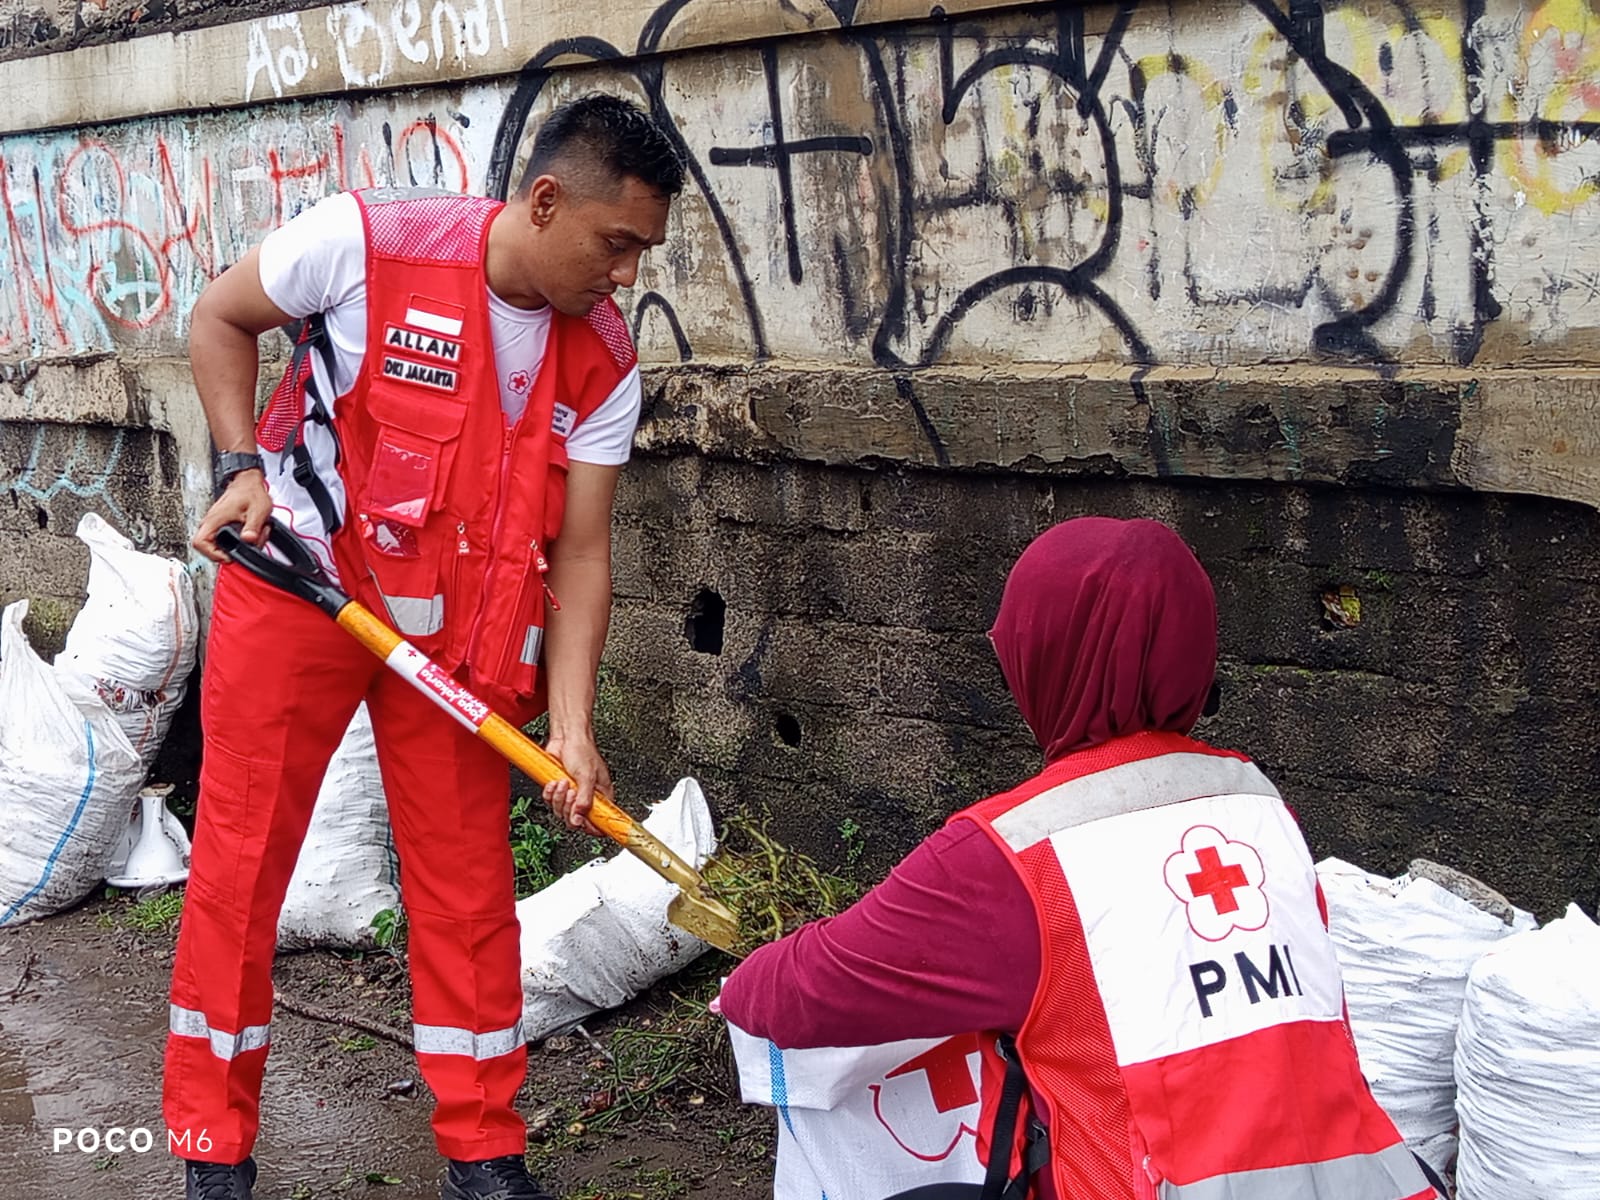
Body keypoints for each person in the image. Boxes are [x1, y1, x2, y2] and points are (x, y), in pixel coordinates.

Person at [165, 95, 684, 1200]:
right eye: (616, 242)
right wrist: (238, 466)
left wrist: (576, 729)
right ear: (544, 201)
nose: (627, 273)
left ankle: (484, 1152)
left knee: (467, 887)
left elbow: (581, 551)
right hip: (303, 590)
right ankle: (213, 1149)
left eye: (642, 249)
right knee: (240, 866)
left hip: (458, 638)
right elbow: (219, 316)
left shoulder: (602, 359)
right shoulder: (368, 243)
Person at [717, 517, 1440, 1200]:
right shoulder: (1257, 805)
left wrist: (747, 975)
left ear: (1047, 658)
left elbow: (793, 996)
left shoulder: (1016, 852)